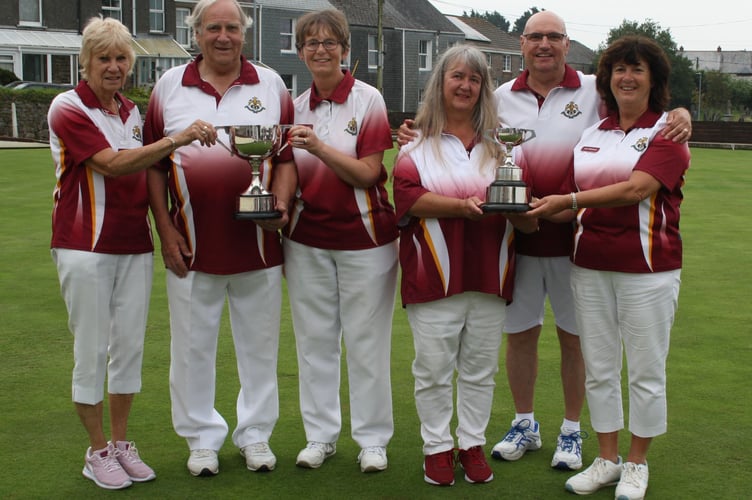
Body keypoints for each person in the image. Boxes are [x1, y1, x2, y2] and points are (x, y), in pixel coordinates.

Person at [399, 10, 692, 471]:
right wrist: (417, 132)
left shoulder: (596, 90)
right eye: (535, 37)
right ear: (521, 44)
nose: (544, 45)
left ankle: (572, 431)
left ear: (566, 42)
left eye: (554, 37)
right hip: (516, 236)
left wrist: (680, 112)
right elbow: (462, 134)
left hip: (579, 241)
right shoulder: (496, 95)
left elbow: (641, 107)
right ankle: (524, 422)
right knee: (520, 334)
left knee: (575, 339)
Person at [48, 16, 214, 490]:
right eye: (105, 58)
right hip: (84, 245)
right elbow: (114, 166)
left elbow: (146, 180)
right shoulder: (67, 107)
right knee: (91, 349)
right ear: (86, 62)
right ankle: (96, 450)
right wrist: (177, 138)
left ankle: (120, 445)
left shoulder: (131, 112)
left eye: (122, 58)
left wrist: (166, 228)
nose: (115, 67)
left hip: (134, 245)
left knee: (128, 350)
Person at [527, 35, 690, 500]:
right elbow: (564, 205)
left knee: (644, 369)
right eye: (619, 69)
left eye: (637, 69)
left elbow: (634, 190)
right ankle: (607, 458)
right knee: (599, 367)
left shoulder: (667, 133)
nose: (627, 77)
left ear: (654, 79)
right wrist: (523, 209)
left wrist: (569, 200)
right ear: (608, 80)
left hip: (649, 270)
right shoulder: (592, 135)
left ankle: (637, 463)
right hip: (589, 266)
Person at [144, 0, 296, 477]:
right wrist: (165, 230)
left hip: (259, 246)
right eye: (214, 28)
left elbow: (287, 159)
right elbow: (152, 164)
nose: (223, 36)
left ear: (244, 33)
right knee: (191, 348)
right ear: (197, 33)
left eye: (232, 27)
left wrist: (282, 208)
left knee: (259, 346)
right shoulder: (168, 86)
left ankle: (256, 435)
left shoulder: (271, 84)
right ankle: (201, 439)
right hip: (191, 245)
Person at [393, 45, 539, 487]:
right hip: (433, 276)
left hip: (489, 276)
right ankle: (437, 448)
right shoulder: (415, 144)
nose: (465, 86)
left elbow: (525, 221)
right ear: (440, 83)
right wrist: (461, 206)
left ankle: (471, 443)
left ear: (483, 89)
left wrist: (522, 214)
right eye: (457, 76)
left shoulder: (503, 148)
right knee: (433, 368)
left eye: (475, 80)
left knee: (480, 368)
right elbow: (406, 199)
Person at [276, 9, 399, 473]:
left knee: (367, 342)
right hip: (307, 239)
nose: (321, 50)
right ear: (301, 50)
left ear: (346, 50)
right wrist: (282, 208)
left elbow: (369, 173)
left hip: (365, 237)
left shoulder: (368, 101)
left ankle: (372, 440)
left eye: (330, 42)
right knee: (315, 342)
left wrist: (320, 148)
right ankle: (320, 436)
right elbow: (285, 168)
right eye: (312, 43)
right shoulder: (294, 105)